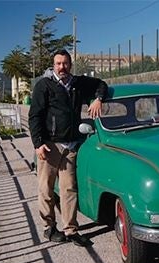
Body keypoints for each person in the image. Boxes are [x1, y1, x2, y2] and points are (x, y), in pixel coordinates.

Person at [28, 49, 108, 247]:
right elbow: (35, 116)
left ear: (70, 64)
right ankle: (49, 228)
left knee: (69, 189)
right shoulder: (43, 86)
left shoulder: (78, 83)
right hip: (50, 146)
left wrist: (98, 98)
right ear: (53, 65)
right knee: (46, 188)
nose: (61, 67)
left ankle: (71, 230)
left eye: (65, 63)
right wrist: (38, 144)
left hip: (71, 146)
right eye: (58, 63)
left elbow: (101, 84)